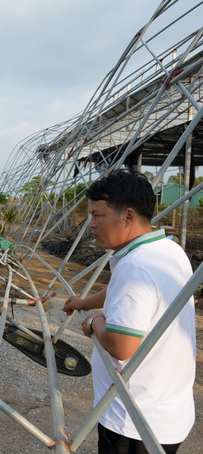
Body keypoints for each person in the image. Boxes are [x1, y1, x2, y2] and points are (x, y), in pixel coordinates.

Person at [62, 170, 195, 454]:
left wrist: (95, 321)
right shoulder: (166, 250)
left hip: (133, 421)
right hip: (165, 408)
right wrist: (83, 303)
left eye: (98, 215)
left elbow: (122, 347)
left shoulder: (136, 267)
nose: (91, 224)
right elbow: (122, 293)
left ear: (128, 216)